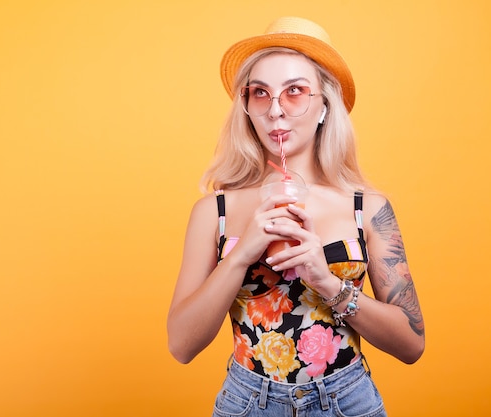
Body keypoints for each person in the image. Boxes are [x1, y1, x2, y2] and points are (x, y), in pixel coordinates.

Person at [167, 16, 424, 416]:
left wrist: (326, 281)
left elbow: (412, 344)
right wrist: (240, 255)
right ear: (247, 108)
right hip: (247, 403)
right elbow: (181, 346)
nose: (275, 111)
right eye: (260, 93)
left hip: (348, 402)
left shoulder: (367, 209)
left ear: (324, 105)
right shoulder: (213, 212)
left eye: (295, 92)